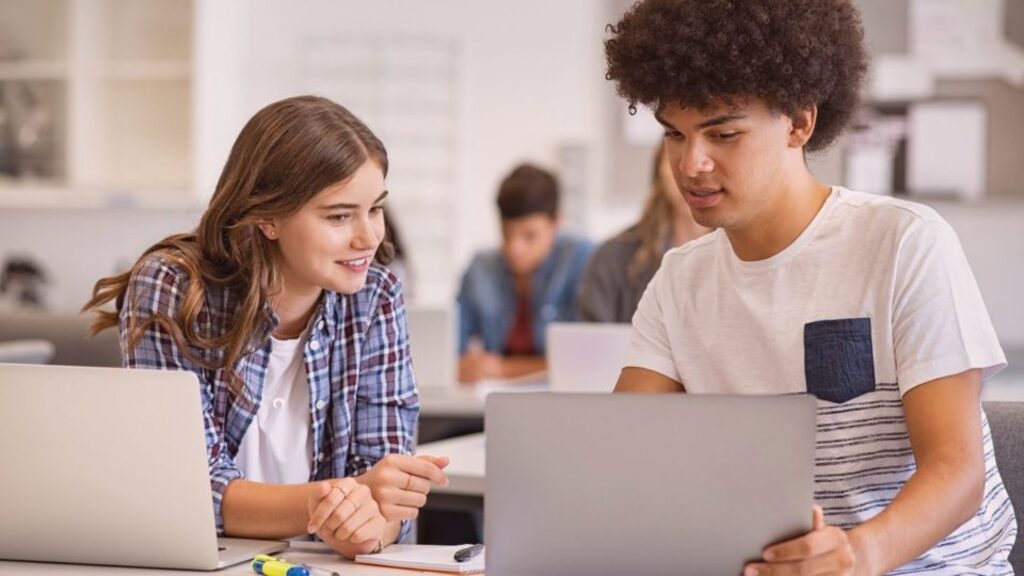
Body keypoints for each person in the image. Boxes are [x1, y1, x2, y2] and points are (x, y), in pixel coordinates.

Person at [605, 1, 1016, 574]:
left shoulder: (904, 243)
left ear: (799, 122)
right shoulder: (680, 281)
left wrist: (858, 554)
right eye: (675, 134)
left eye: (722, 133)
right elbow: (622, 457)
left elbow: (957, 474)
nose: (691, 163)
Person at [83, 95, 449, 559]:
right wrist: (336, 500)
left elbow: (388, 487)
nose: (369, 237)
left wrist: (373, 528)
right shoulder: (174, 287)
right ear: (268, 217)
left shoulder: (376, 298)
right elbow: (191, 486)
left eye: (375, 209)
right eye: (339, 216)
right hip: (200, 563)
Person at [456, 163, 593, 383]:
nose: (514, 248)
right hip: (492, 400)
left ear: (556, 224)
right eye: (506, 233)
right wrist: (467, 366)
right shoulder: (481, 267)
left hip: (560, 402)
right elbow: (452, 352)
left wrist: (503, 368)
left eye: (529, 236)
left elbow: (587, 361)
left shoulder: (583, 259)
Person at [577, 143, 710, 323]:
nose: (692, 174)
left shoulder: (746, 256)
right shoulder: (611, 258)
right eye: (678, 158)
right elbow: (593, 344)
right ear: (660, 168)